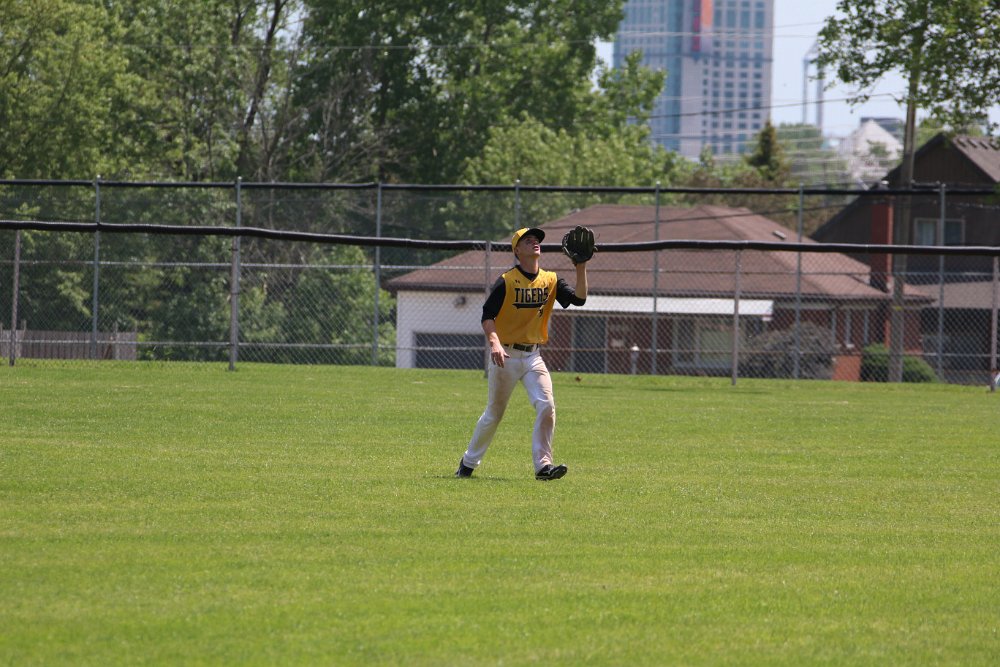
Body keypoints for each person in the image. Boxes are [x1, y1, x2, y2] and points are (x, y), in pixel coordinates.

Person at [455, 226, 589, 481]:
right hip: (505, 355)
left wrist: (580, 266)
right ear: (517, 251)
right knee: (494, 414)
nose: (534, 242)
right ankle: (468, 463)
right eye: (528, 240)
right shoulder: (506, 281)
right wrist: (494, 343)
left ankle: (543, 467)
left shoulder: (550, 279)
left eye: (536, 240)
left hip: (533, 356)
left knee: (547, 406)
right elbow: (487, 316)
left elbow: (579, 299)